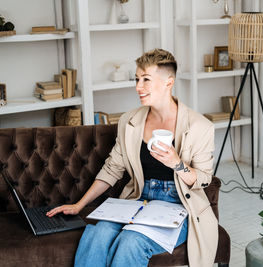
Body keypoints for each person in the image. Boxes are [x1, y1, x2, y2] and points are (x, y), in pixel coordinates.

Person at [47, 48, 218, 267]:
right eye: (137, 79)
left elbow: (204, 179)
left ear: (169, 82)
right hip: (138, 199)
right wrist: (79, 205)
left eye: (146, 79)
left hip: (179, 205)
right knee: (98, 234)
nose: (138, 87)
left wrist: (177, 164)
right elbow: (112, 169)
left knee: (131, 241)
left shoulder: (200, 126)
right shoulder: (130, 121)